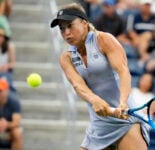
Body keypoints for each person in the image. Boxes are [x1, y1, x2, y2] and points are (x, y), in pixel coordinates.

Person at [50, 3, 149, 150]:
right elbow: (78, 86)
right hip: (100, 125)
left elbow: (123, 73)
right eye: (62, 28)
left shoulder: (104, 40)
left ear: (84, 23)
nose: (66, 33)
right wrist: (94, 100)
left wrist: (122, 103)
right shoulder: (66, 58)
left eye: (70, 25)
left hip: (126, 119)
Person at [0, 78, 23, 150]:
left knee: (17, 133)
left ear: (7, 91)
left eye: (0, 90)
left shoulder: (14, 102)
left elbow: (16, 122)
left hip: (10, 129)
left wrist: (6, 124)